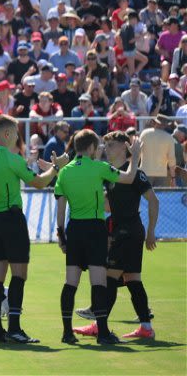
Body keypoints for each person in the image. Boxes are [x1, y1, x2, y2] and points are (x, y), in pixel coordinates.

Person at [0, 114, 67, 343]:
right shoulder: (13, 159)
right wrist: (55, 168)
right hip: (12, 221)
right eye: (16, 133)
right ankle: (14, 328)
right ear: (7, 134)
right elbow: (40, 183)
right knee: (19, 274)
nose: (17, 138)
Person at [55, 129, 142, 345]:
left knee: (70, 283)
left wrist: (61, 235)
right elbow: (130, 177)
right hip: (95, 229)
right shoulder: (100, 167)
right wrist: (137, 154)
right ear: (93, 148)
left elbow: (60, 206)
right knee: (98, 282)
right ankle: (102, 333)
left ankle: (67, 333)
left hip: (74, 229)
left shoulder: (65, 172)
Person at [73, 130, 158, 341]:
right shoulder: (111, 172)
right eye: (104, 145)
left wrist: (151, 231)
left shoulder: (135, 173)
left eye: (110, 145)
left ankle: (98, 324)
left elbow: (154, 201)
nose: (105, 149)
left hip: (129, 231)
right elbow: (111, 204)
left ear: (124, 148)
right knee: (132, 279)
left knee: (109, 278)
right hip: (123, 230)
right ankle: (145, 326)